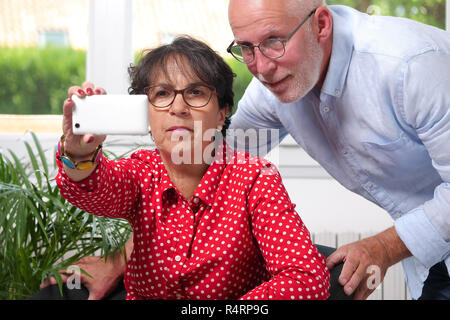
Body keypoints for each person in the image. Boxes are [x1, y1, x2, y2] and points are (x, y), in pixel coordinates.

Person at [49, 36, 330, 300]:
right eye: (162, 93)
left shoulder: (256, 178)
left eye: (195, 92)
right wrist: (79, 151)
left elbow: (306, 278)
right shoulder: (140, 172)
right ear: (146, 113)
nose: (179, 107)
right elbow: (93, 189)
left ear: (222, 112)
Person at [226, 0, 450, 300]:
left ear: (321, 25)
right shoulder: (271, 91)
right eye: (247, 48)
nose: (262, 68)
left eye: (274, 41)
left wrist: (383, 247)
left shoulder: (410, 65)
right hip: (437, 253)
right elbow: (217, 161)